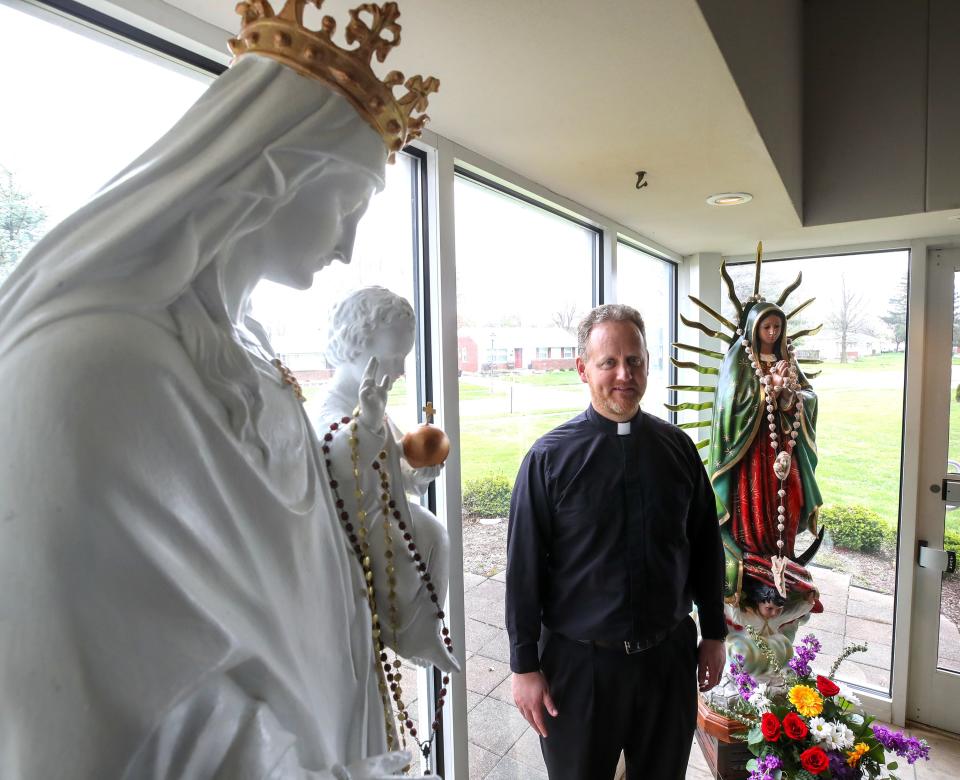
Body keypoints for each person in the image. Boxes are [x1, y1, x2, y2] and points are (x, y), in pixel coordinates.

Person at [0, 3, 445, 778]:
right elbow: (121, 685)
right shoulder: (90, 368)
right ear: (276, 175)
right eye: (347, 207)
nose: (346, 246)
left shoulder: (256, 348)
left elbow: (307, 561)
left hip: (332, 731)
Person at [506, 303, 728, 780]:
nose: (623, 374)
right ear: (583, 368)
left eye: (635, 361)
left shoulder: (678, 451)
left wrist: (713, 633)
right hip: (579, 670)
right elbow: (523, 570)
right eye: (609, 362)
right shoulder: (548, 460)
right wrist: (524, 666)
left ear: (648, 364)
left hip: (667, 664)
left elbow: (706, 547)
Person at [313, 286, 454, 669]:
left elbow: (391, 463)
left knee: (435, 536)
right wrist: (370, 422)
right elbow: (337, 457)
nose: (400, 371)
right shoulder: (334, 407)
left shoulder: (370, 405)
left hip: (382, 511)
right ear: (357, 345)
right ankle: (416, 632)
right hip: (353, 530)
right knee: (409, 549)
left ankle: (425, 630)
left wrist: (417, 472)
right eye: (394, 357)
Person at [708, 302, 823, 667]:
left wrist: (791, 396)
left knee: (783, 517)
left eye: (777, 327)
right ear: (754, 328)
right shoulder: (740, 359)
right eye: (766, 327)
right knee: (752, 512)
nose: (772, 334)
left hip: (782, 458)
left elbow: (809, 399)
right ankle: (750, 566)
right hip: (749, 459)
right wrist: (763, 394)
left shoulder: (788, 357)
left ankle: (780, 566)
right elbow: (728, 405)